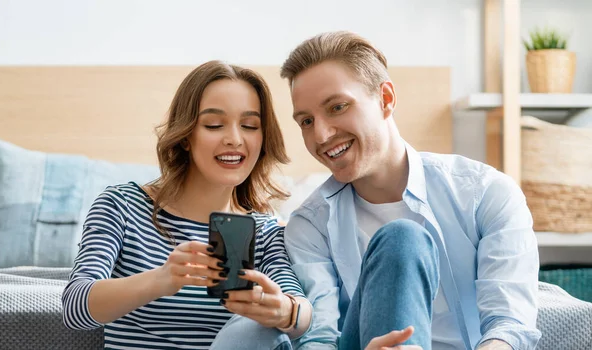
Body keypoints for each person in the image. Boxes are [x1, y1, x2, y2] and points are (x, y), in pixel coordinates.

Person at [280, 31, 541, 350]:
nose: (320, 135)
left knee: (402, 239)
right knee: (401, 240)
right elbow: (318, 339)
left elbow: (511, 325)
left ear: (385, 99)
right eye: (306, 121)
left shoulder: (484, 193)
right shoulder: (308, 226)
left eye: (337, 107)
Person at [62, 61, 313, 350]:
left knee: (259, 331)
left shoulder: (266, 230)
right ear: (185, 137)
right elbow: (75, 307)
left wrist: (286, 311)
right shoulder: (122, 206)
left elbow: (303, 313)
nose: (234, 139)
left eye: (249, 126)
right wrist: (163, 279)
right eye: (214, 125)